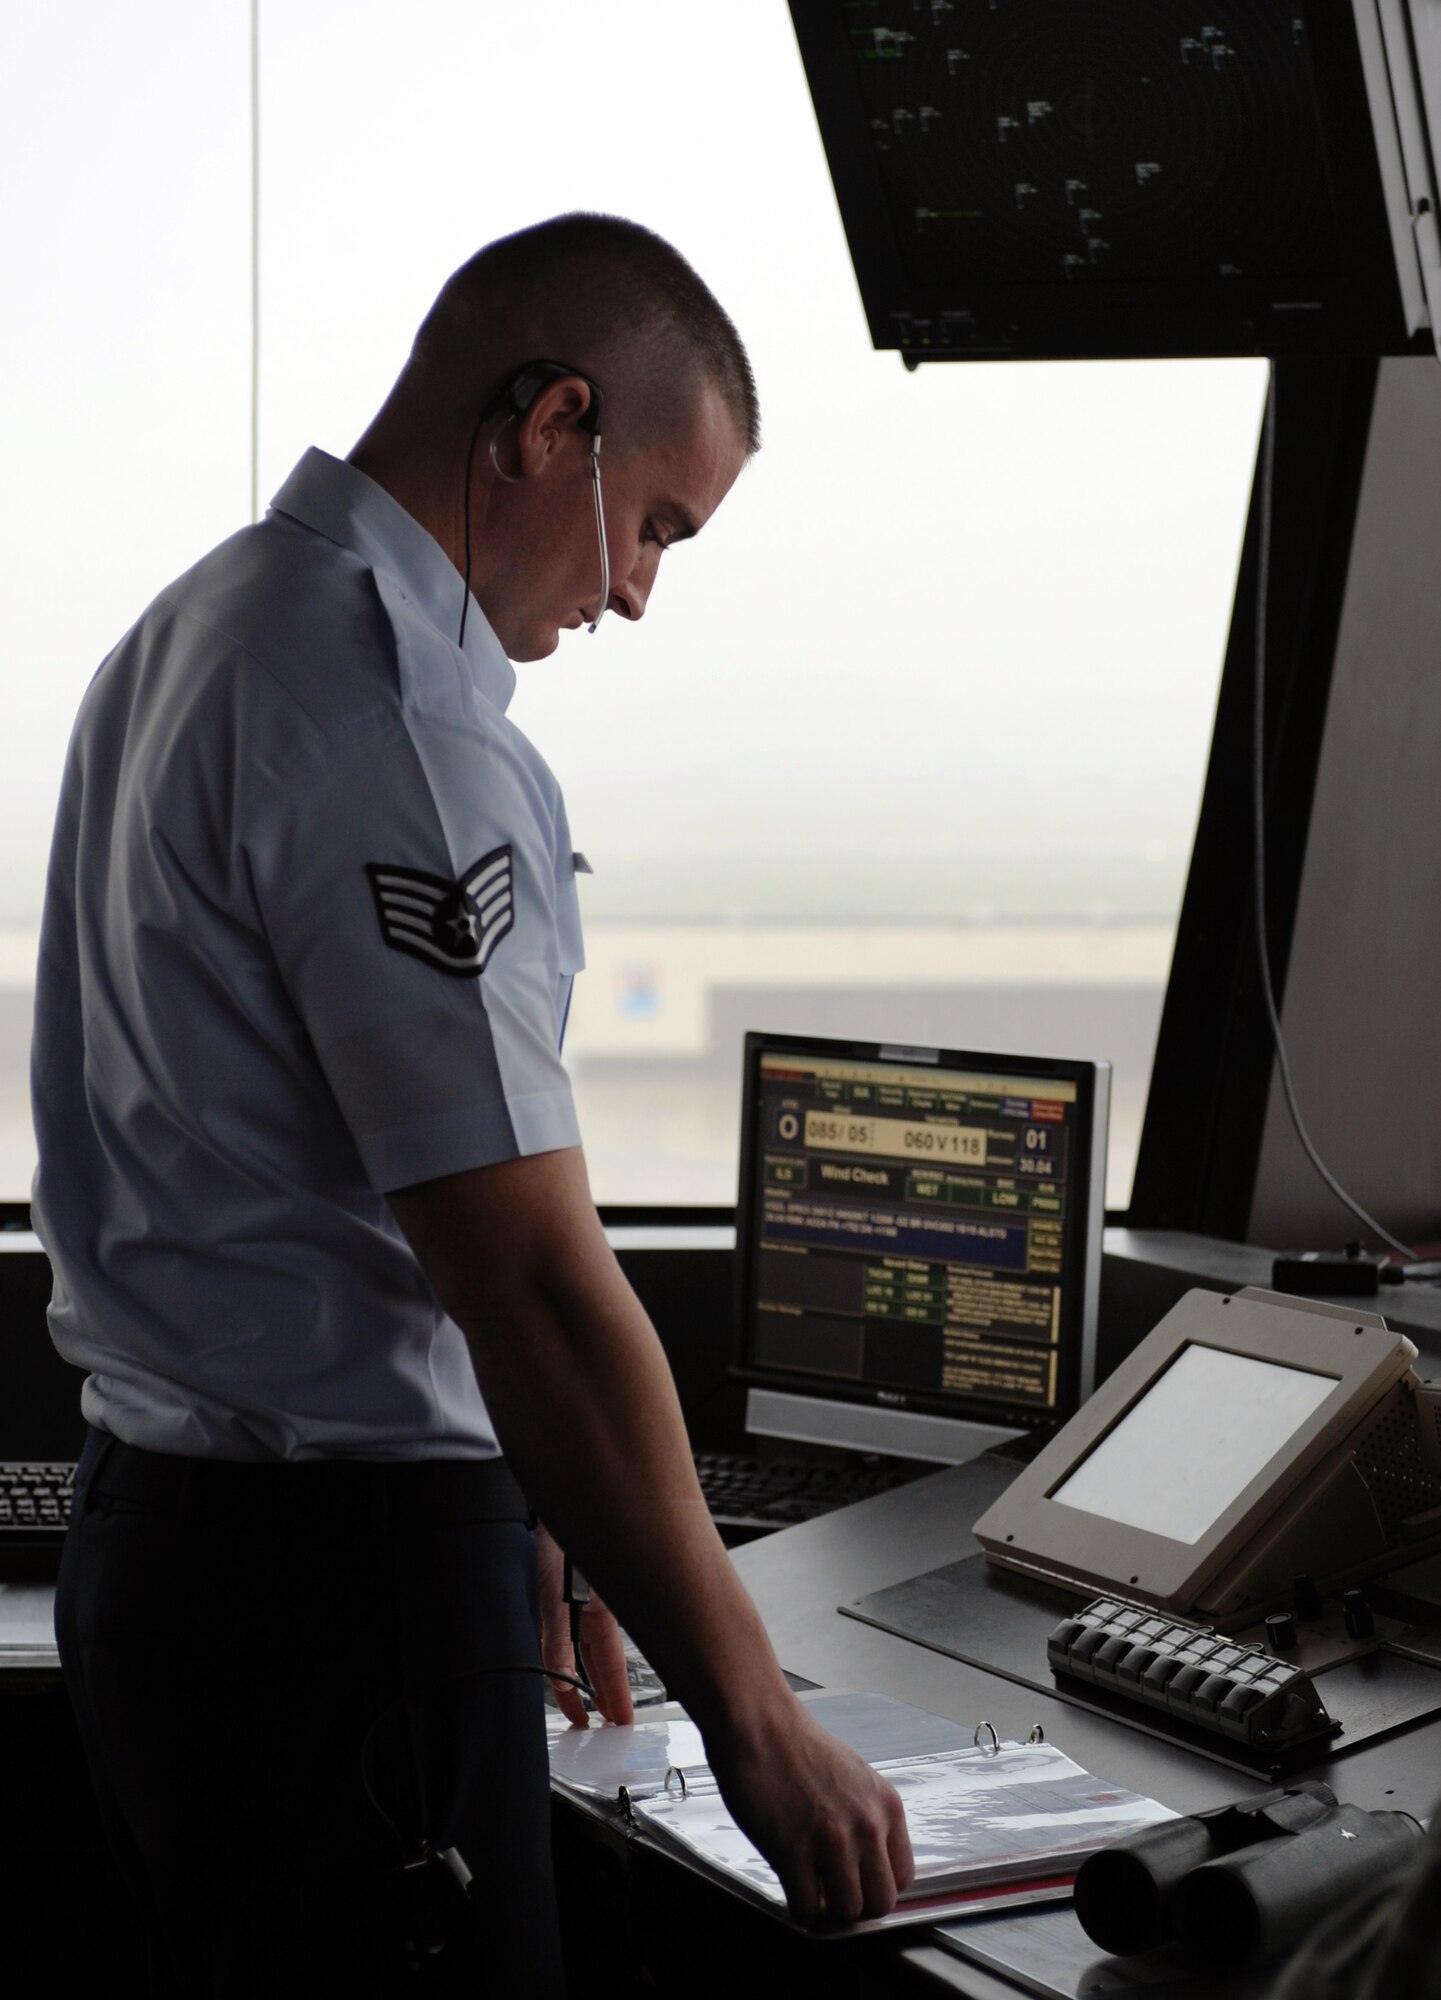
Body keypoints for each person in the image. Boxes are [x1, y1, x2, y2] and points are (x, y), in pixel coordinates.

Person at [31, 213, 912, 1996]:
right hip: (334, 1599)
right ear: (548, 424)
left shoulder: (202, 627)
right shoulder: (400, 729)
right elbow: (528, 1284)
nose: (637, 592)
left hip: (172, 1553)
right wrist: (760, 1722)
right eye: (654, 524)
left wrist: (534, 1495)